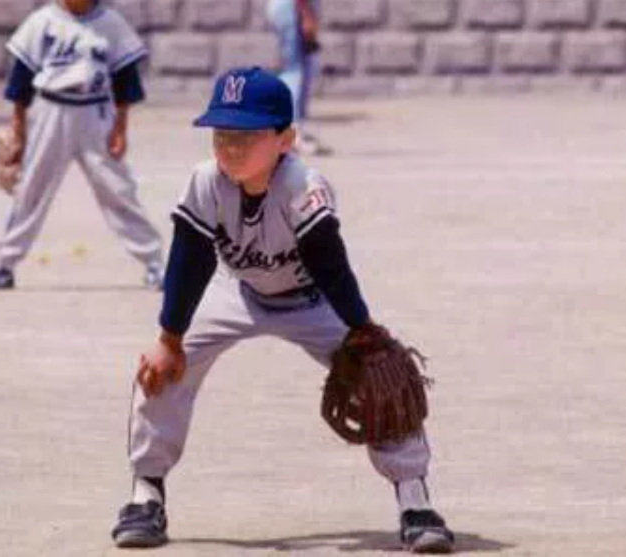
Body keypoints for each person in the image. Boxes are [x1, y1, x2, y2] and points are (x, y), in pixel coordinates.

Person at [110, 67, 454, 553]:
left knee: (378, 374)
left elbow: (329, 263)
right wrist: (169, 336)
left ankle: (415, 500)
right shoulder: (206, 181)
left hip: (313, 298)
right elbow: (190, 256)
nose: (230, 147)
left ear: (285, 140)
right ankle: (146, 494)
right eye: (222, 134)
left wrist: (361, 327)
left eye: (246, 135)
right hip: (238, 292)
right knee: (163, 367)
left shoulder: (302, 184)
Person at [0, 0, 164, 291]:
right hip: (51, 110)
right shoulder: (42, 22)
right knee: (31, 189)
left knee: (117, 188)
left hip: (96, 112)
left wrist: (121, 129)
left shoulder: (111, 23)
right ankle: (4, 264)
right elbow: (19, 84)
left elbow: (126, 81)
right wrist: (18, 129)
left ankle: (154, 262)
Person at [266, 0, 328, 156]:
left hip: (290, 8)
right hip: (294, 8)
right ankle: (291, 133)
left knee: (299, 66)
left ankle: (294, 130)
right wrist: (306, 13)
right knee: (294, 70)